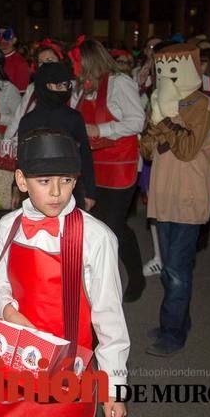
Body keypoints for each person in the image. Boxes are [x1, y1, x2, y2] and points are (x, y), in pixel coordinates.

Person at [0, 129, 129, 417]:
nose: (57, 192)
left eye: (66, 180)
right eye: (44, 181)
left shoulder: (95, 237)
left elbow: (110, 321)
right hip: (11, 361)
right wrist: (7, 310)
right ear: (22, 181)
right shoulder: (8, 226)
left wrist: (114, 390)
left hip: (66, 372)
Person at [140, 44, 210, 356]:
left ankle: (173, 334)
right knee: (174, 269)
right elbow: (146, 150)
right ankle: (177, 323)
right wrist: (157, 120)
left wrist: (169, 118)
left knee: (176, 271)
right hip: (164, 196)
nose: (165, 77)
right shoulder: (159, 100)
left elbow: (186, 149)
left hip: (187, 198)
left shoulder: (201, 104)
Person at [70, 37, 146, 302]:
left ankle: (136, 276)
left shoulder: (119, 84)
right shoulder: (81, 88)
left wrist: (102, 130)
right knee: (92, 226)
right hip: (91, 166)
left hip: (119, 167)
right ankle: (97, 284)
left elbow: (137, 121)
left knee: (113, 225)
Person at [18, 62, 96, 210]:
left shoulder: (73, 118)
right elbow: (21, 159)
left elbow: (85, 155)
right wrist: (17, 186)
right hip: (36, 189)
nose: (64, 90)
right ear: (44, 86)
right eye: (58, 85)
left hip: (69, 189)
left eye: (66, 86)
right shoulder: (28, 120)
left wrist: (90, 192)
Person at [3, 38, 66, 153]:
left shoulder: (71, 87)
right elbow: (19, 117)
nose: (45, 65)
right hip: (30, 149)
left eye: (50, 60)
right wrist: (6, 141)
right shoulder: (32, 88)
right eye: (41, 62)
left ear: (60, 61)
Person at [0, 26, 30, 93]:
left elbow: (20, 93)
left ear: (14, 40)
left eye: (6, 35)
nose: (1, 39)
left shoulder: (20, 63)